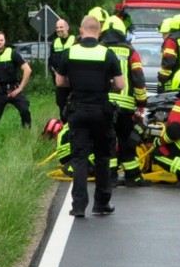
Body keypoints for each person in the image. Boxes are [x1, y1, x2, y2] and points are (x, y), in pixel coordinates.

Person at [54, 15, 125, 217]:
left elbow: (60, 82)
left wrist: (76, 84)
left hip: (77, 110)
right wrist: (104, 85)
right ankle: (101, 203)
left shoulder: (69, 52)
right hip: (101, 112)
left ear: (81, 31)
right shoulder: (107, 54)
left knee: (79, 158)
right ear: (99, 32)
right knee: (102, 157)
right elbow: (120, 85)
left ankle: (78, 206)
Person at [100, 15, 149, 187]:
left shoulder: (100, 49)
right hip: (126, 107)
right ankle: (133, 176)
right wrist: (142, 102)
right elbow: (138, 78)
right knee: (127, 141)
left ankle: (110, 177)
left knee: (107, 142)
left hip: (104, 105)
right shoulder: (130, 51)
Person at [157, 13, 180, 93]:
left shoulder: (171, 41)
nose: (163, 37)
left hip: (172, 83)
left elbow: (168, 63)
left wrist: (161, 80)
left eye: (164, 34)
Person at [49, 19, 75, 121]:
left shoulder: (75, 41)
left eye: (61, 27)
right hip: (60, 83)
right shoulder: (54, 43)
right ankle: (64, 126)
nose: (59, 30)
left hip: (73, 82)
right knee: (61, 105)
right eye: (57, 28)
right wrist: (56, 74)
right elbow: (50, 62)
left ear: (67, 28)